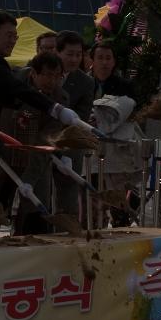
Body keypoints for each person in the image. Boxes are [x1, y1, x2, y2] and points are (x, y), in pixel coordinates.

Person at [0, 11, 79, 238]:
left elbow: (47, 135)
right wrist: (54, 108)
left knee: (3, 210)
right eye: (8, 35)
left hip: (22, 156)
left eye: (15, 36)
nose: (13, 40)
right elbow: (17, 92)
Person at [1, 52, 66, 235]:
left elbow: (46, 141)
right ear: (33, 73)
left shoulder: (60, 100)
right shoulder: (13, 84)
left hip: (35, 158)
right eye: (46, 75)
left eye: (57, 76)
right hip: (3, 152)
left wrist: (28, 180)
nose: (51, 81)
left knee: (34, 206)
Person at [52, 30, 93, 220]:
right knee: (38, 191)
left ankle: (68, 228)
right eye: (69, 54)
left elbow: (81, 117)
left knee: (68, 191)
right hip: (41, 139)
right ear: (57, 52)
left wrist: (65, 148)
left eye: (79, 54)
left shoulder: (86, 82)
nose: (74, 59)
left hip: (70, 142)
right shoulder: (40, 71)